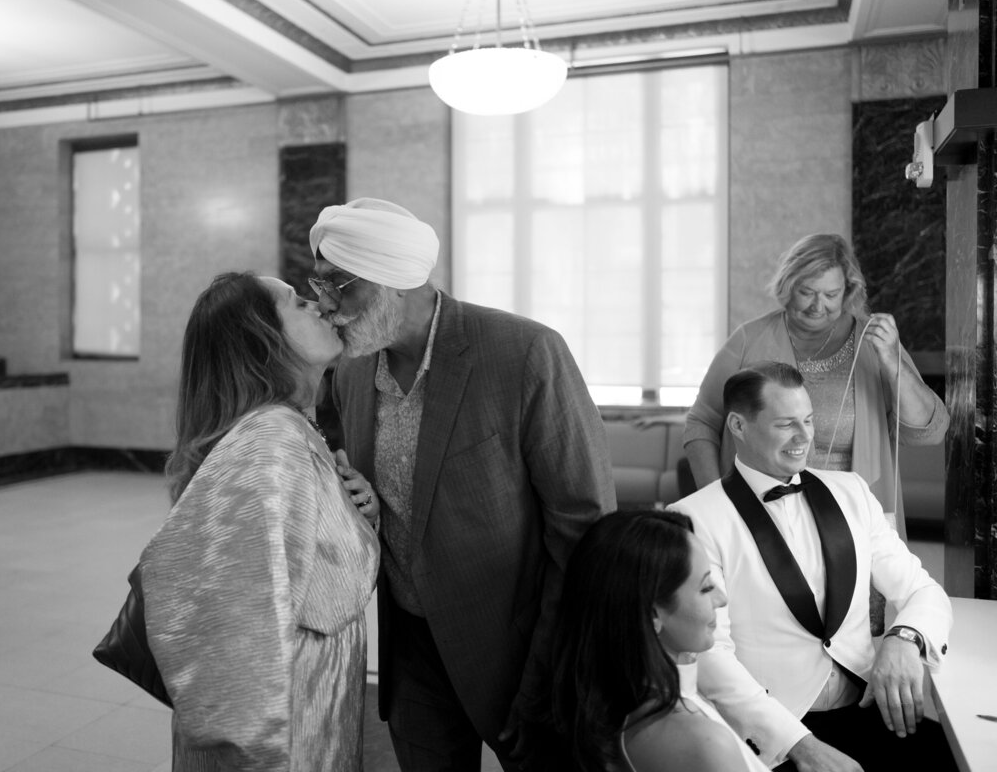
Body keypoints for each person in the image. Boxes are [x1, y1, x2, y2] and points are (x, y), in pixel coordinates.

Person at [308, 197, 616, 771]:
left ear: (392, 282)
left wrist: (556, 663)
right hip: (411, 649)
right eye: (318, 283)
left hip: (520, 649)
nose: (326, 306)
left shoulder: (522, 352)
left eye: (337, 285)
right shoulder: (352, 370)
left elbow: (585, 525)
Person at [140, 272, 381, 771]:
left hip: (308, 698)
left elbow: (309, 573)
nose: (319, 305)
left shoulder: (288, 427)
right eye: (296, 303)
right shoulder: (269, 442)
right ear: (262, 341)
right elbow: (236, 627)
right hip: (285, 721)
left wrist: (359, 518)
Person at [669, 362, 954, 772]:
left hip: (870, 706)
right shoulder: (694, 518)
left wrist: (903, 639)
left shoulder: (852, 490)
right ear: (738, 425)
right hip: (774, 735)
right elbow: (711, 652)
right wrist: (799, 746)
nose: (805, 437)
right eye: (786, 424)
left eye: (808, 420)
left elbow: (923, 591)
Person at [684, 233, 946, 538]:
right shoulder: (748, 340)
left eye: (831, 294)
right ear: (787, 286)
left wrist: (892, 362)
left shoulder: (873, 343)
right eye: (806, 292)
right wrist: (716, 502)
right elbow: (700, 424)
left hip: (852, 521)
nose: (817, 306)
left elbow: (930, 431)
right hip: (761, 520)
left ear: (848, 291)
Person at [552, 510, 770, 772]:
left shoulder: (613, 700)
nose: (721, 599)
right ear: (653, 614)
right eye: (705, 588)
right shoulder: (702, 741)